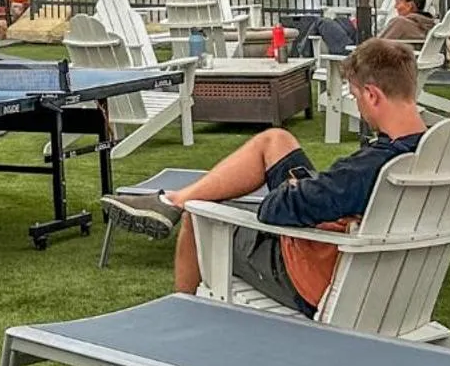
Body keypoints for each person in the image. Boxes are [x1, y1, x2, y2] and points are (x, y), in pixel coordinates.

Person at [99, 38, 428, 316]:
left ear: (372, 95)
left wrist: (295, 190)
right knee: (276, 140)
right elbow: (329, 196)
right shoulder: (432, 151)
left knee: (200, 216)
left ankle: (182, 317)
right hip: (388, 277)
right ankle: (172, 200)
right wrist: (306, 188)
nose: (360, 108)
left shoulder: (371, 167)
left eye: (356, 97)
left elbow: (274, 210)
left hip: (315, 278)